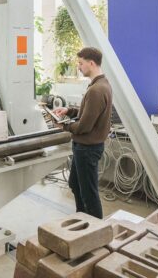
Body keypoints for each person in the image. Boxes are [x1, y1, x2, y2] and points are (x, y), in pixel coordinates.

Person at [52, 47, 112, 219]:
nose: (78, 67)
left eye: (80, 63)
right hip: (85, 148)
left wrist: (63, 126)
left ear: (91, 63)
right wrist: (69, 111)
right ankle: (81, 219)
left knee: (89, 194)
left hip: (87, 149)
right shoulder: (100, 84)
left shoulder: (96, 90)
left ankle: (94, 227)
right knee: (76, 185)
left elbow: (84, 126)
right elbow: (88, 113)